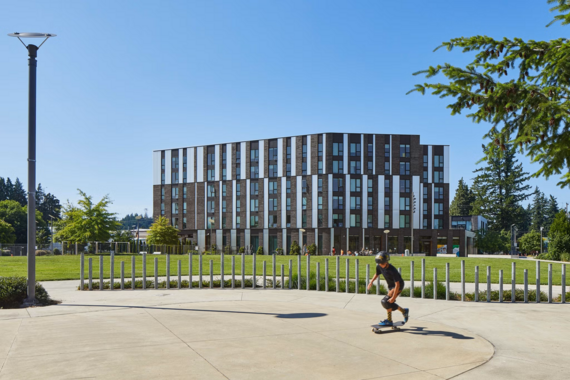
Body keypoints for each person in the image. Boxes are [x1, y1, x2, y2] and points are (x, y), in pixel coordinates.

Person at [367, 252, 409, 326]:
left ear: (387, 261)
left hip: (398, 286)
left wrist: (393, 297)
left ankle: (390, 320)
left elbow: (397, 284)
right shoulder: (379, 266)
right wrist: (371, 282)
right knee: (388, 303)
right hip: (391, 286)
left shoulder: (392, 270)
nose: (381, 265)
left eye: (382, 263)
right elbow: (377, 274)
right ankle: (404, 311)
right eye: (379, 264)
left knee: (385, 301)